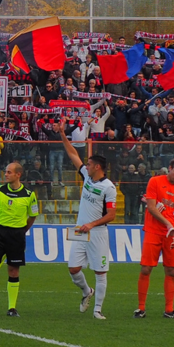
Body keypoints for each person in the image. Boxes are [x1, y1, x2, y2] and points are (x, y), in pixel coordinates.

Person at [56, 123, 116, 319]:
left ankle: (98, 310)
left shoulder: (109, 188)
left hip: (97, 233)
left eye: (89, 164)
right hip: (81, 231)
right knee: (73, 269)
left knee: (100, 273)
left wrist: (91, 224)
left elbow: (111, 216)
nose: (86, 166)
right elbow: (73, 154)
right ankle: (86, 292)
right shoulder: (87, 178)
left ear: (97, 167)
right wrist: (63, 135)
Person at [0, 162, 39, 317]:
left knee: (13, 270)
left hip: (17, 235)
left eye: (9, 172)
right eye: (6, 171)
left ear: (18, 174)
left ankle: (12, 308)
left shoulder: (29, 195)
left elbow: (33, 215)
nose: (6, 174)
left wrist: (22, 230)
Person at [137, 156, 174, 319]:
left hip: (171, 235)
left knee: (171, 271)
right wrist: (169, 225)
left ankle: (169, 310)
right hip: (154, 231)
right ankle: (140, 308)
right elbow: (152, 208)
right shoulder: (155, 181)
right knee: (146, 268)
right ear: (169, 168)